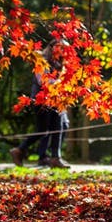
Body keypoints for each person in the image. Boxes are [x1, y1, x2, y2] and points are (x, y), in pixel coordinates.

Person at [10, 40, 71, 168]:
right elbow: (44, 81)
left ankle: (55, 158)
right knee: (43, 131)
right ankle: (20, 150)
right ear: (51, 47)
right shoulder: (41, 60)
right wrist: (62, 82)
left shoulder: (60, 64)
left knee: (58, 127)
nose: (61, 52)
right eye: (59, 48)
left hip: (55, 100)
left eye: (64, 49)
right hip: (41, 100)